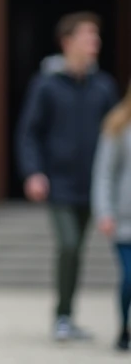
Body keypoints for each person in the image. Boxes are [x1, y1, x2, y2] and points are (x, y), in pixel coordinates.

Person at [18, 11, 119, 343]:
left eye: (96, 37)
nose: (95, 42)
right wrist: (34, 172)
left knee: (78, 250)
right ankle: (62, 316)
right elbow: (29, 133)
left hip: (92, 186)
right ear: (67, 42)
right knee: (69, 244)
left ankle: (68, 317)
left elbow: (116, 135)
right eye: (89, 36)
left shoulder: (103, 87)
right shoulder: (46, 86)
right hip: (59, 184)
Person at [92, 86, 131, 352]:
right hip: (125, 221)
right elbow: (104, 173)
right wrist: (104, 211)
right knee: (130, 276)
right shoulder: (119, 125)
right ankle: (124, 327)